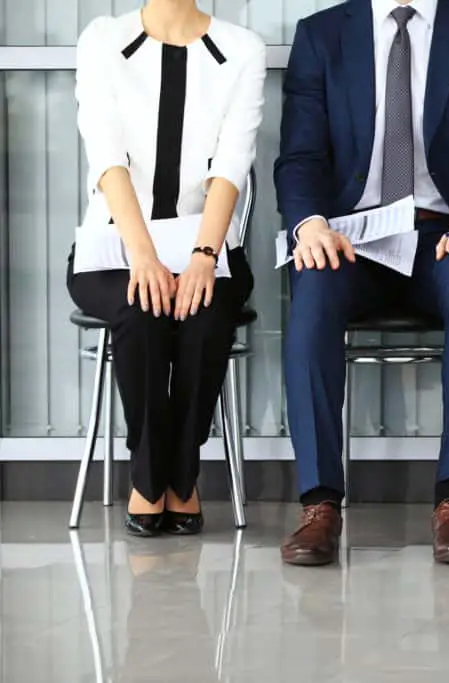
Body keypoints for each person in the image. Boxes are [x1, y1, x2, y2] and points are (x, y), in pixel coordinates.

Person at [275, 0, 449, 566]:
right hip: (351, 236)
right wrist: (310, 225)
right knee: (313, 288)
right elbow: (298, 159)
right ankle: (320, 506)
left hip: (445, 234)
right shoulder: (322, 35)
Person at [67, 0, 265, 536]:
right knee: (141, 308)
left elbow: (232, 166)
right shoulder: (102, 40)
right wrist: (144, 256)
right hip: (115, 250)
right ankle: (152, 479)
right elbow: (106, 157)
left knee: (205, 316)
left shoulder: (243, 49)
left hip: (205, 247)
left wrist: (203, 256)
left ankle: (181, 474)